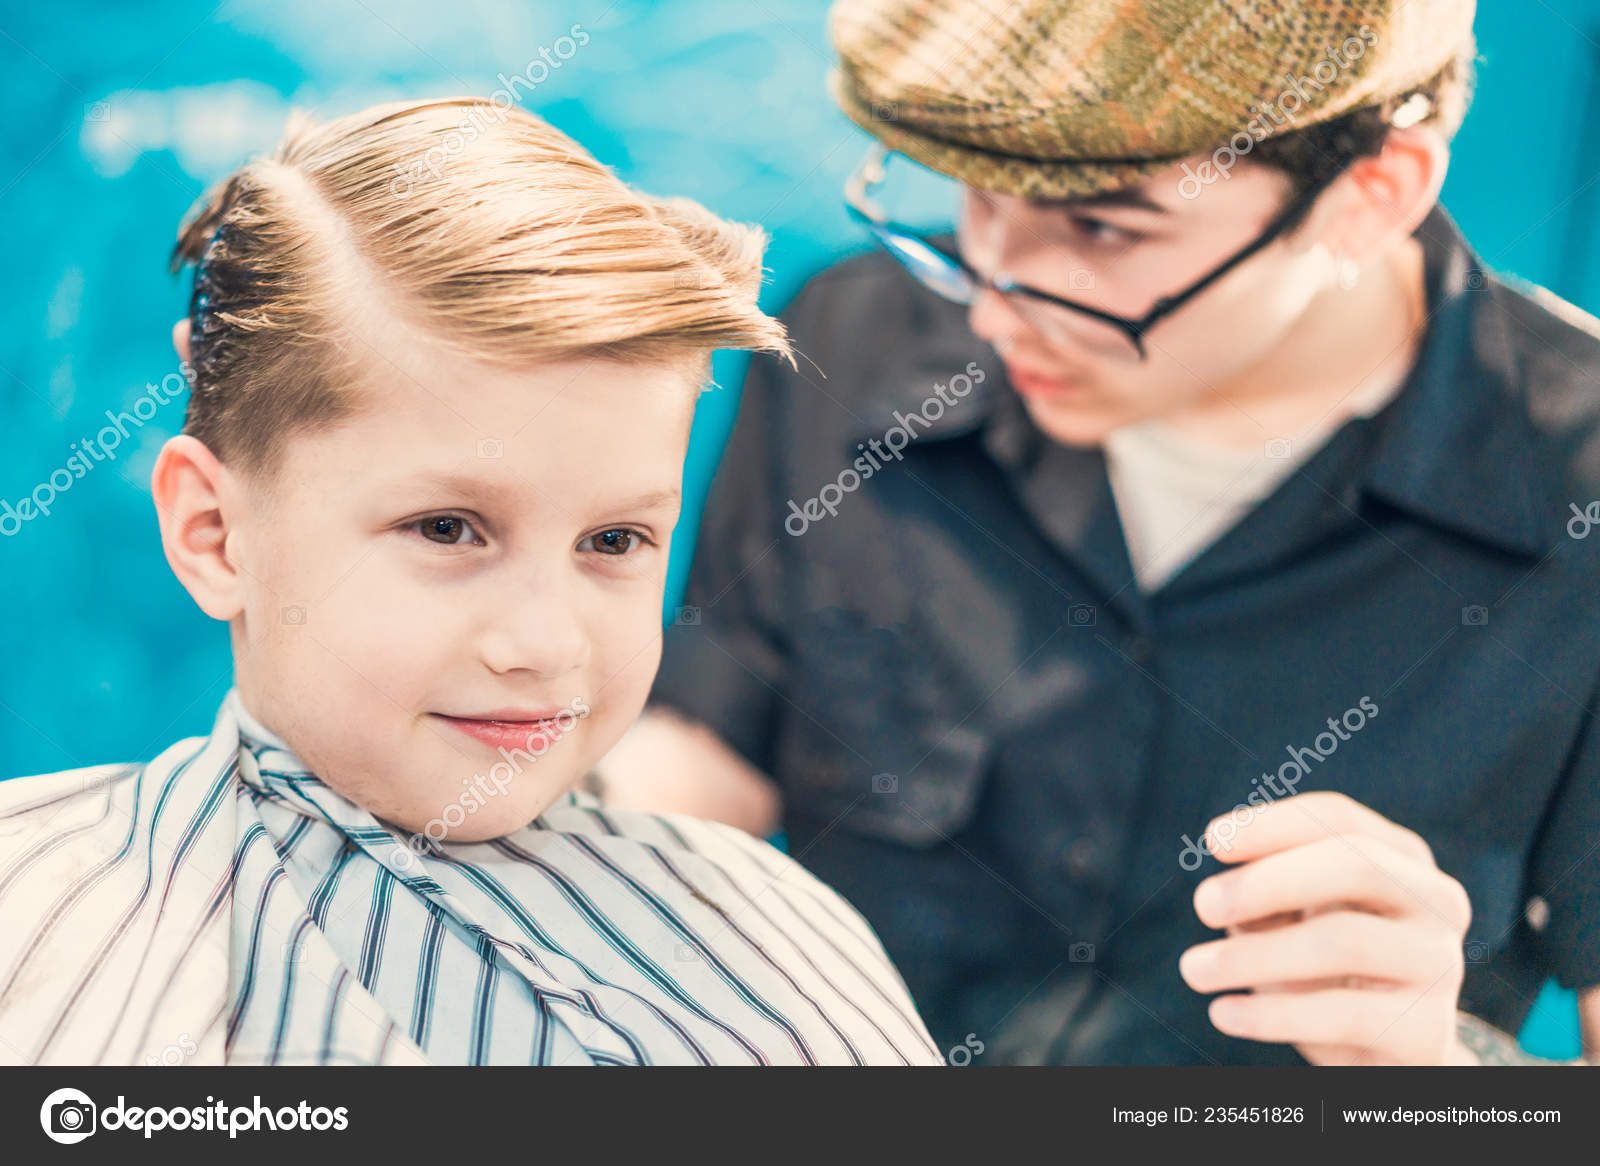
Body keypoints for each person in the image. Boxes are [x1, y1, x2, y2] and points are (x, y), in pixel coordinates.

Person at [596, 0, 1600, 1065]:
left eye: (1100, 229)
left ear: (1370, 193)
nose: (992, 304)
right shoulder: (856, 333)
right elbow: (700, 774)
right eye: (974, 193)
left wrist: (1436, 1072)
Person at [0, 98, 941, 1067]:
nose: (546, 644)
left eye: (614, 539)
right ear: (214, 533)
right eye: (447, 528)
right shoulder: (29, 929)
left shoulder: (779, 963)